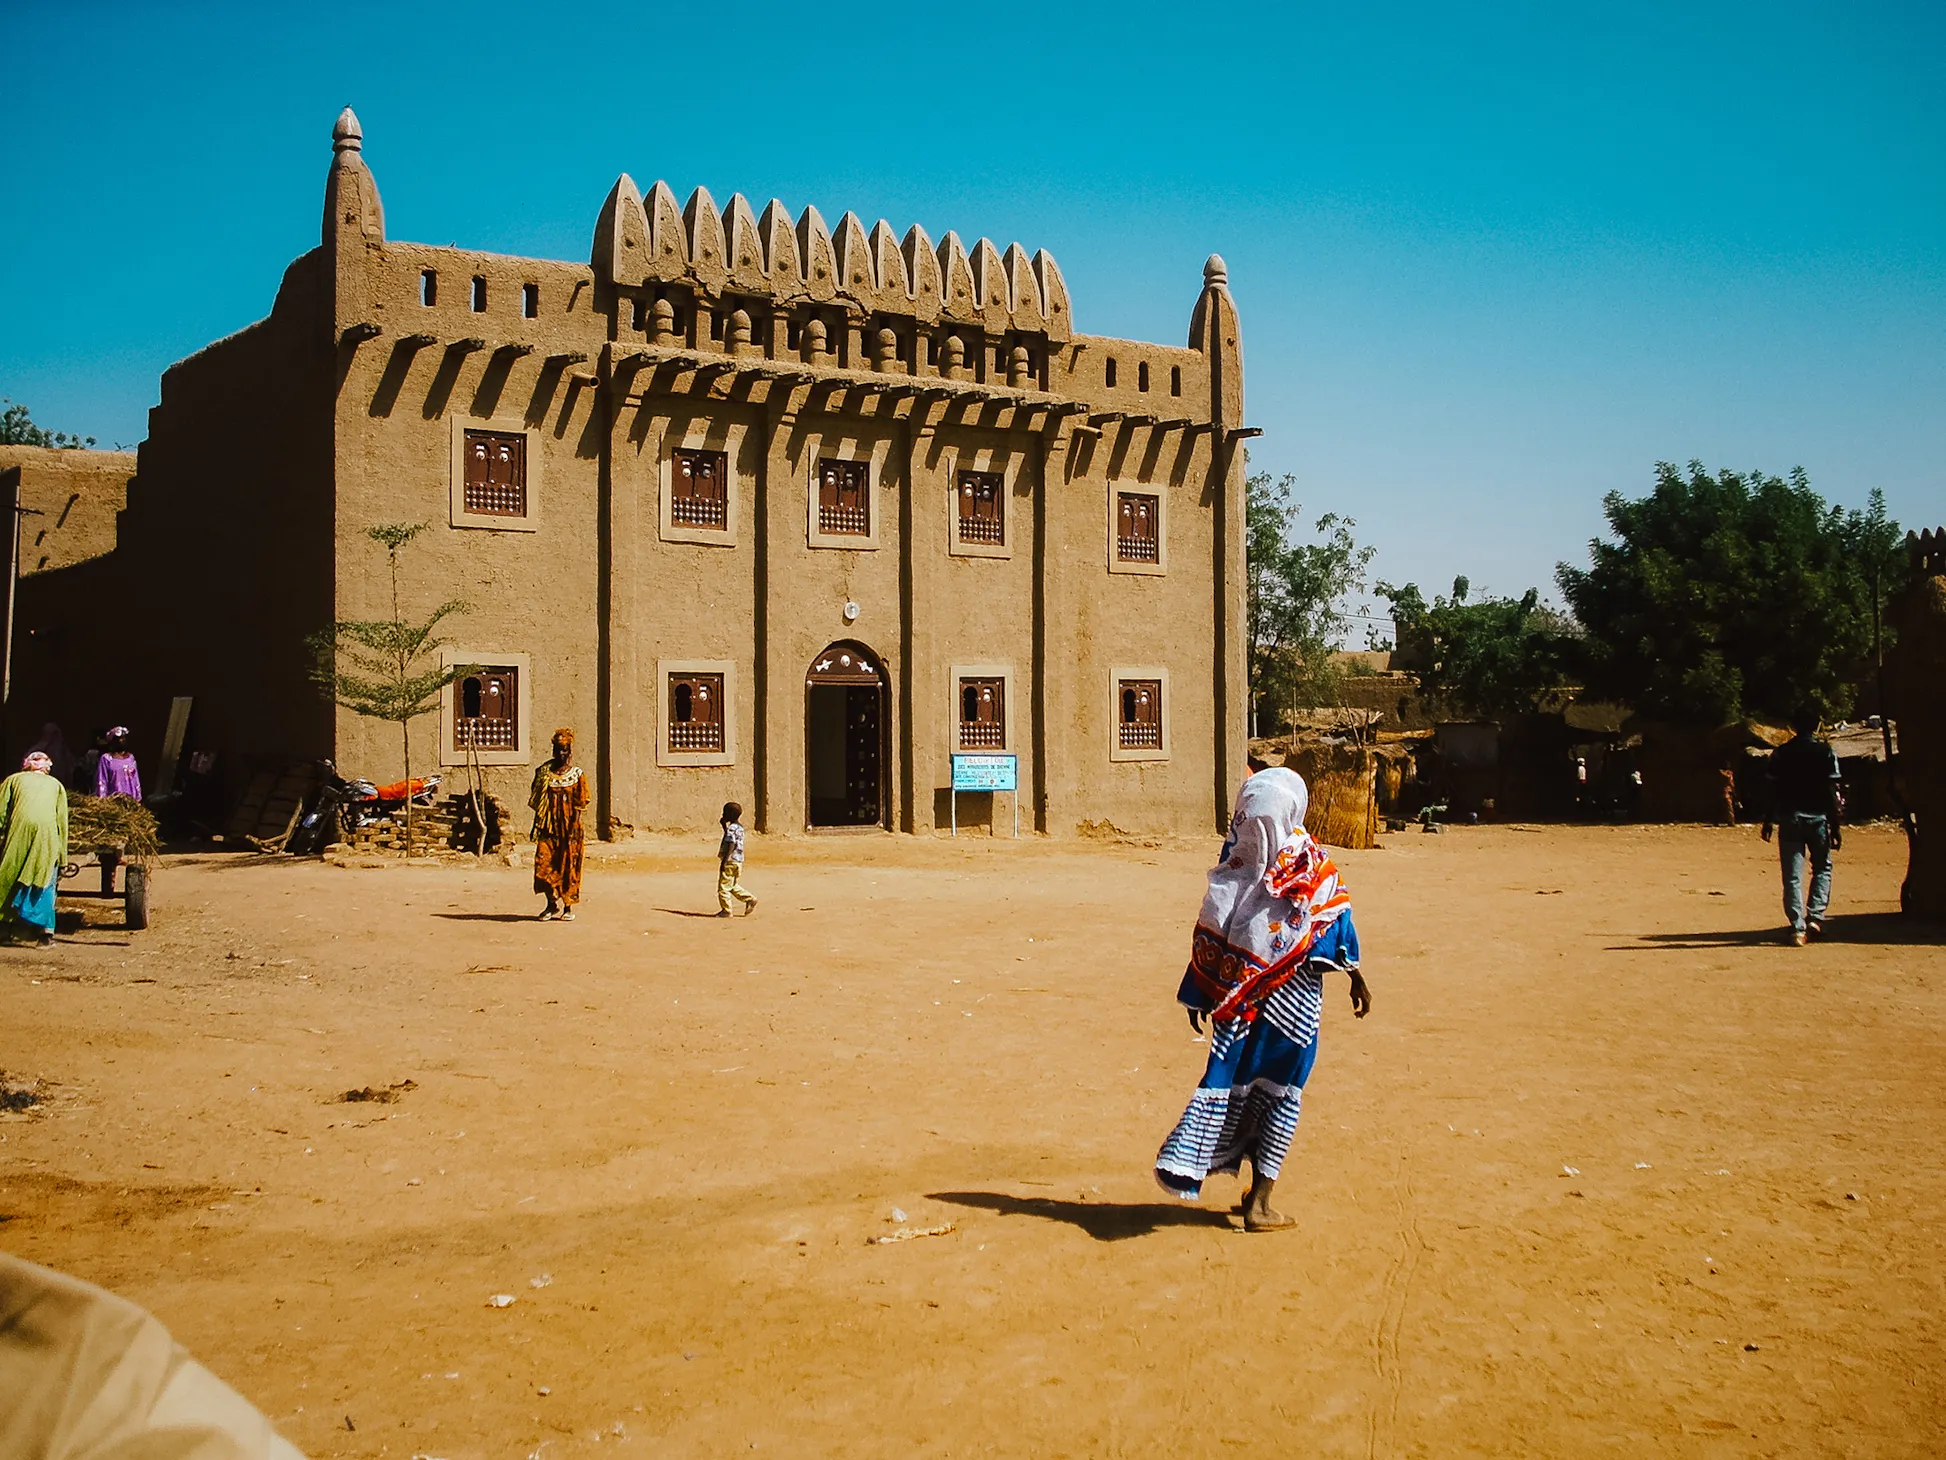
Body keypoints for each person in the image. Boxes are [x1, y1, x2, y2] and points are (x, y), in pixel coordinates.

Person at [1155, 767, 1370, 1231]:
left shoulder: (1230, 871)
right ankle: (1260, 1201)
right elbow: (1335, 929)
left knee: (1245, 1087)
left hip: (1239, 1013)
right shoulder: (1310, 865)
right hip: (1293, 1019)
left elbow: (1210, 939)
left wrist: (1200, 993)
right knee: (1280, 1094)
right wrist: (1356, 977)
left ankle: (1252, 1191)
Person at [1762, 707, 1842, 946]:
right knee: (1822, 867)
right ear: (1815, 726)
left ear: (1794, 727)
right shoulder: (1826, 752)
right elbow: (1831, 791)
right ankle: (1815, 917)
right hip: (1818, 818)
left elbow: (1773, 790)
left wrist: (1768, 820)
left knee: (1792, 875)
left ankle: (1797, 928)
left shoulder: (1781, 754)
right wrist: (1835, 825)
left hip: (1789, 818)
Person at [0, 752, 69, 947]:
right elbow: (62, 823)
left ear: (26, 766)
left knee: (8, 875)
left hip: (19, 831)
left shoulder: (13, 780)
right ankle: (46, 934)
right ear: (47, 768)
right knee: (45, 877)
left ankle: (4, 929)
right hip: (47, 836)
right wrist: (62, 858)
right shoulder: (56, 785)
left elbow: (1, 812)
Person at [529, 728, 588, 921]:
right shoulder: (544, 773)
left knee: (568, 865)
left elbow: (580, 804)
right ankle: (551, 904)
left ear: (570, 751)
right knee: (543, 864)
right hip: (548, 828)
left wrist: (573, 829)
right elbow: (538, 801)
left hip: (569, 830)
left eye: (564, 750)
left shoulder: (577, 775)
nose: (561, 754)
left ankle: (568, 906)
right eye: (557, 750)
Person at [716, 801, 757, 917]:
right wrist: (724, 826)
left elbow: (731, 844)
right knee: (732, 885)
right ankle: (750, 899)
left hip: (730, 861)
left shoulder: (731, 829)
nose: (723, 815)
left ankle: (726, 911)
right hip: (738, 861)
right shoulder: (739, 828)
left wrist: (725, 861)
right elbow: (731, 838)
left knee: (723, 888)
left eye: (725, 813)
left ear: (731, 814)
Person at [95, 726, 142, 800]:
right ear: (113, 742)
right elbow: (102, 781)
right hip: (114, 801)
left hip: (130, 801)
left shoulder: (131, 758)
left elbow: (136, 780)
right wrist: (102, 800)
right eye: (120, 738)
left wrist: (138, 798)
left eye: (124, 738)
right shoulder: (106, 759)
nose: (123, 740)